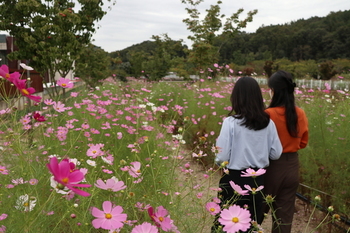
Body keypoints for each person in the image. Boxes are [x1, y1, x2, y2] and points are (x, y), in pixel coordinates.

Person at [212, 76, 283, 232]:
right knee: (251, 223)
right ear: (258, 97)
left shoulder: (230, 122)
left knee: (227, 224)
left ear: (236, 98)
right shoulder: (268, 123)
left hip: (233, 179)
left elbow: (222, 157)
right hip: (257, 180)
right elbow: (276, 153)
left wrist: (219, 162)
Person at [263, 70, 309, 233]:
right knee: (283, 219)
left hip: (270, 167)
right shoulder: (300, 113)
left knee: (255, 212)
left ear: (274, 91)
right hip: (292, 167)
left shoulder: (268, 114)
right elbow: (303, 143)